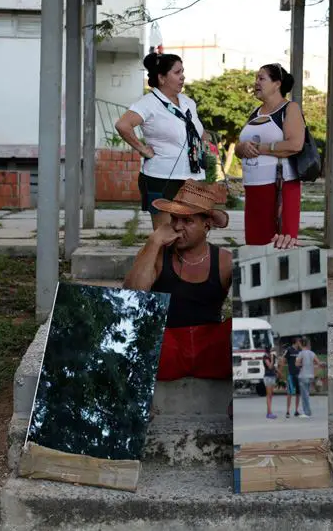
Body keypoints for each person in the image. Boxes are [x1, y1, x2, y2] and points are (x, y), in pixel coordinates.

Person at [122, 179, 233, 383]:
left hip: (209, 350)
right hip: (168, 346)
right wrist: (154, 242)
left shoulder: (225, 260)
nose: (177, 227)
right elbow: (131, 296)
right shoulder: (157, 253)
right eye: (174, 219)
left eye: (187, 221)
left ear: (206, 225)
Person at [115, 53, 205, 230]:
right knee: (166, 235)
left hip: (193, 177)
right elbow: (123, 125)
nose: (183, 77)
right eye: (177, 72)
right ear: (162, 78)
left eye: (183, 72)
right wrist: (143, 149)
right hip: (162, 177)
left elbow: (196, 132)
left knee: (192, 233)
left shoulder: (188, 102)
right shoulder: (148, 103)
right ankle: (160, 259)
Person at [235, 64, 304, 250]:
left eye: (261, 78)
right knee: (255, 244)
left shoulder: (290, 109)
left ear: (277, 84)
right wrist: (241, 148)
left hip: (280, 187)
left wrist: (261, 148)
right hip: (253, 187)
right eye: (256, 78)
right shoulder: (255, 113)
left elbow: (295, 144)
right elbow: (239, 148)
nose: (256, 82)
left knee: (280, 244)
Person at [295, 336, 323, 418]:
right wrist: (314, 369)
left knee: (304, 395)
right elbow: (318, 363)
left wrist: (301, 364)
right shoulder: (312, 353)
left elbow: (296, 364)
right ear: (307, 344)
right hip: (310, 376)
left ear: (302, 344)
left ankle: (306, 412)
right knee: (307, 393)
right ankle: (308, 411)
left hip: (303, 375)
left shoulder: (301, 353)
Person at [283, 337, 302, 418]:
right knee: (290, 393)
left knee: (298, 393)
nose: (300, 343)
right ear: (296, 342)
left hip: (299, 374)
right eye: (299, 341)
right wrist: (288, 365)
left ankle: (296, 411)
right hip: (291, 374)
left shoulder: (299, 351)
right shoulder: (289, 350)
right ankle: (287, 411)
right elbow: (284, 360)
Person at [262, 346, 278, 420]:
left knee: (271, 395)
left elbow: (275, 366)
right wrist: (272, 359)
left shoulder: (273, 356)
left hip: (272, 376)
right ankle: (269, 413)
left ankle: (269, 412)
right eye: (271, 349)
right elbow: (270, 366)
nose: (272, 350)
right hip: (268, 377)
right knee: (268, 395)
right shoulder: (265, 357)